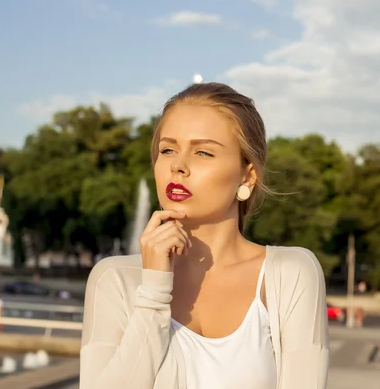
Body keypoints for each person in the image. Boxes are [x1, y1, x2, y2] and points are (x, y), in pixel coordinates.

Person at [80, 83, 329, 389]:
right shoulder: (114, 279)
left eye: (203, 152)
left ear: (247, 175)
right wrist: (154, 294)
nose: (178, 166)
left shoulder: (289, 274)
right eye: (167, 149)